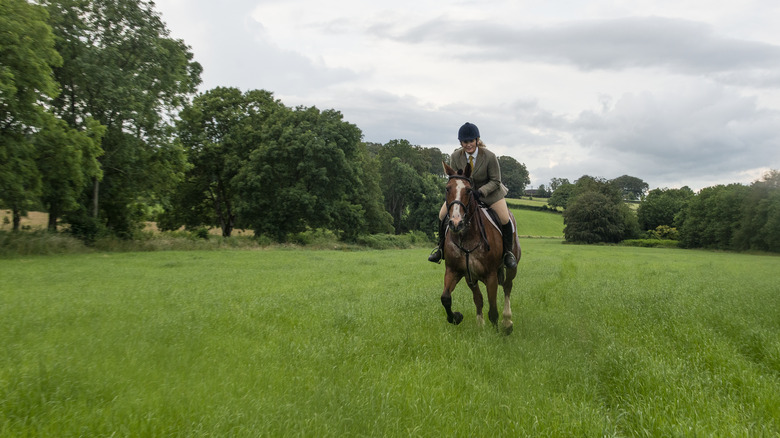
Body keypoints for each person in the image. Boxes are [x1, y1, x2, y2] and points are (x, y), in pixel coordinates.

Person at [428, 122, 517, 268]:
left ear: (477, 140)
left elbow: (496, 181)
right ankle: (440, 249)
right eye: (465, 141)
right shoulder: (456, 156)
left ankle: (508, 253)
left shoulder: (489, 156)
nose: (468, 144)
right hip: (465, 195)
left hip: (490, 193)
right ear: (461, 142)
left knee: (504, 218)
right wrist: (465, 193)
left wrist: (480, 192)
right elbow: (456, 178)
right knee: (442, 214)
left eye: (471, 141)